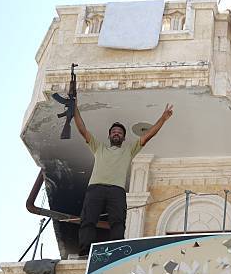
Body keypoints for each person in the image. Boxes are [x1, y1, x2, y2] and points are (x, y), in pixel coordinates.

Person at [73, 102, 174, 256]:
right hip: (95, 188)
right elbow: (82, 129)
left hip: (117, 190)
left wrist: (163, 118)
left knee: (118, 223)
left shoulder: (129, 150)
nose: (116, 133)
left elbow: (148, 135)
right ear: (109, 135)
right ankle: (85, 252)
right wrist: (74, 108)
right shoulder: (98, 147)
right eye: (113, 131)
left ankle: (116, 253)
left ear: (124, 137)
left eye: (119, 132)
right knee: (88, 220)